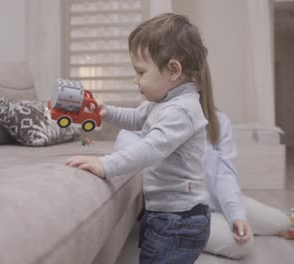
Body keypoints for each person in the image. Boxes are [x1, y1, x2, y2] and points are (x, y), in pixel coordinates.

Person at [65, 13, 212, 263]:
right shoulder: (163, 102)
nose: (135, 80)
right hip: (166, 215)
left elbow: (150, 149)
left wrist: (105, 165)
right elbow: (136, 118)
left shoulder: (182, 110)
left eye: (141, 72)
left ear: (173, 70)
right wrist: (107, 112)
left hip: (178, 221)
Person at [115, 102, 291, 259]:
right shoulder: (153, 114)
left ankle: (227, 218)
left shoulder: (218, 120)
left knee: (282, 222)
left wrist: (236, 215)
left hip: (217, 201)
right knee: (243, 244)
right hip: (188, 213)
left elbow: (225, 175)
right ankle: (208, 228)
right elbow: (126, 146)